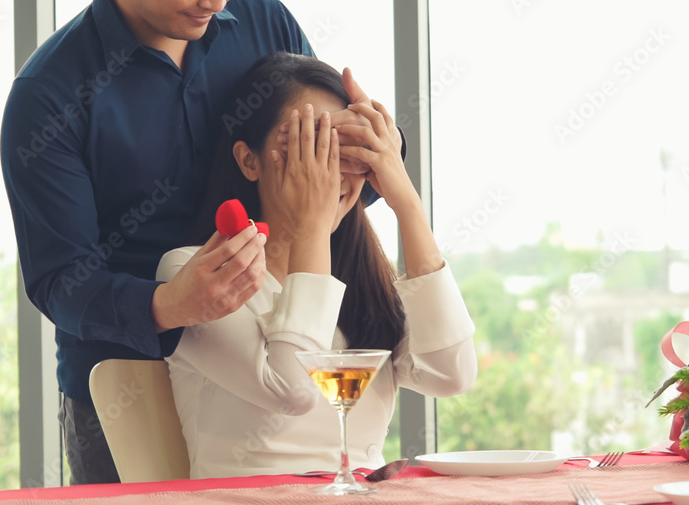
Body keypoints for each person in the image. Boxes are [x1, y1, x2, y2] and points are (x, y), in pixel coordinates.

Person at [0, 0, 379, 485]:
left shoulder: (267, 23)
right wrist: (165, 305)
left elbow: (315, 182)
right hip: (129, 383)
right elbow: (58, 280)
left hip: (273, 359)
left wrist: (378, 152)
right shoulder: (49, 95)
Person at [156, 52, 477, 478]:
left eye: (345, 148)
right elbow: (294, 390)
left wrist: (405, 200)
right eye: (310, 146)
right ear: (249, 160)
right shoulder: (195, 273)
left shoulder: (360, 280)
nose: (330, 170)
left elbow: (450, 375)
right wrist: (312, 224)